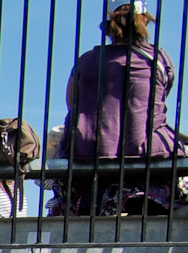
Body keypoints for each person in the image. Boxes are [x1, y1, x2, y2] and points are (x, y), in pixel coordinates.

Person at [53, 1, 187, 215]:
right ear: (144, 20)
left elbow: (72, 105)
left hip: (89, 153)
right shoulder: (157, 59)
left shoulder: (86, 61)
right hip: (145, 152)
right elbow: (155, 107)